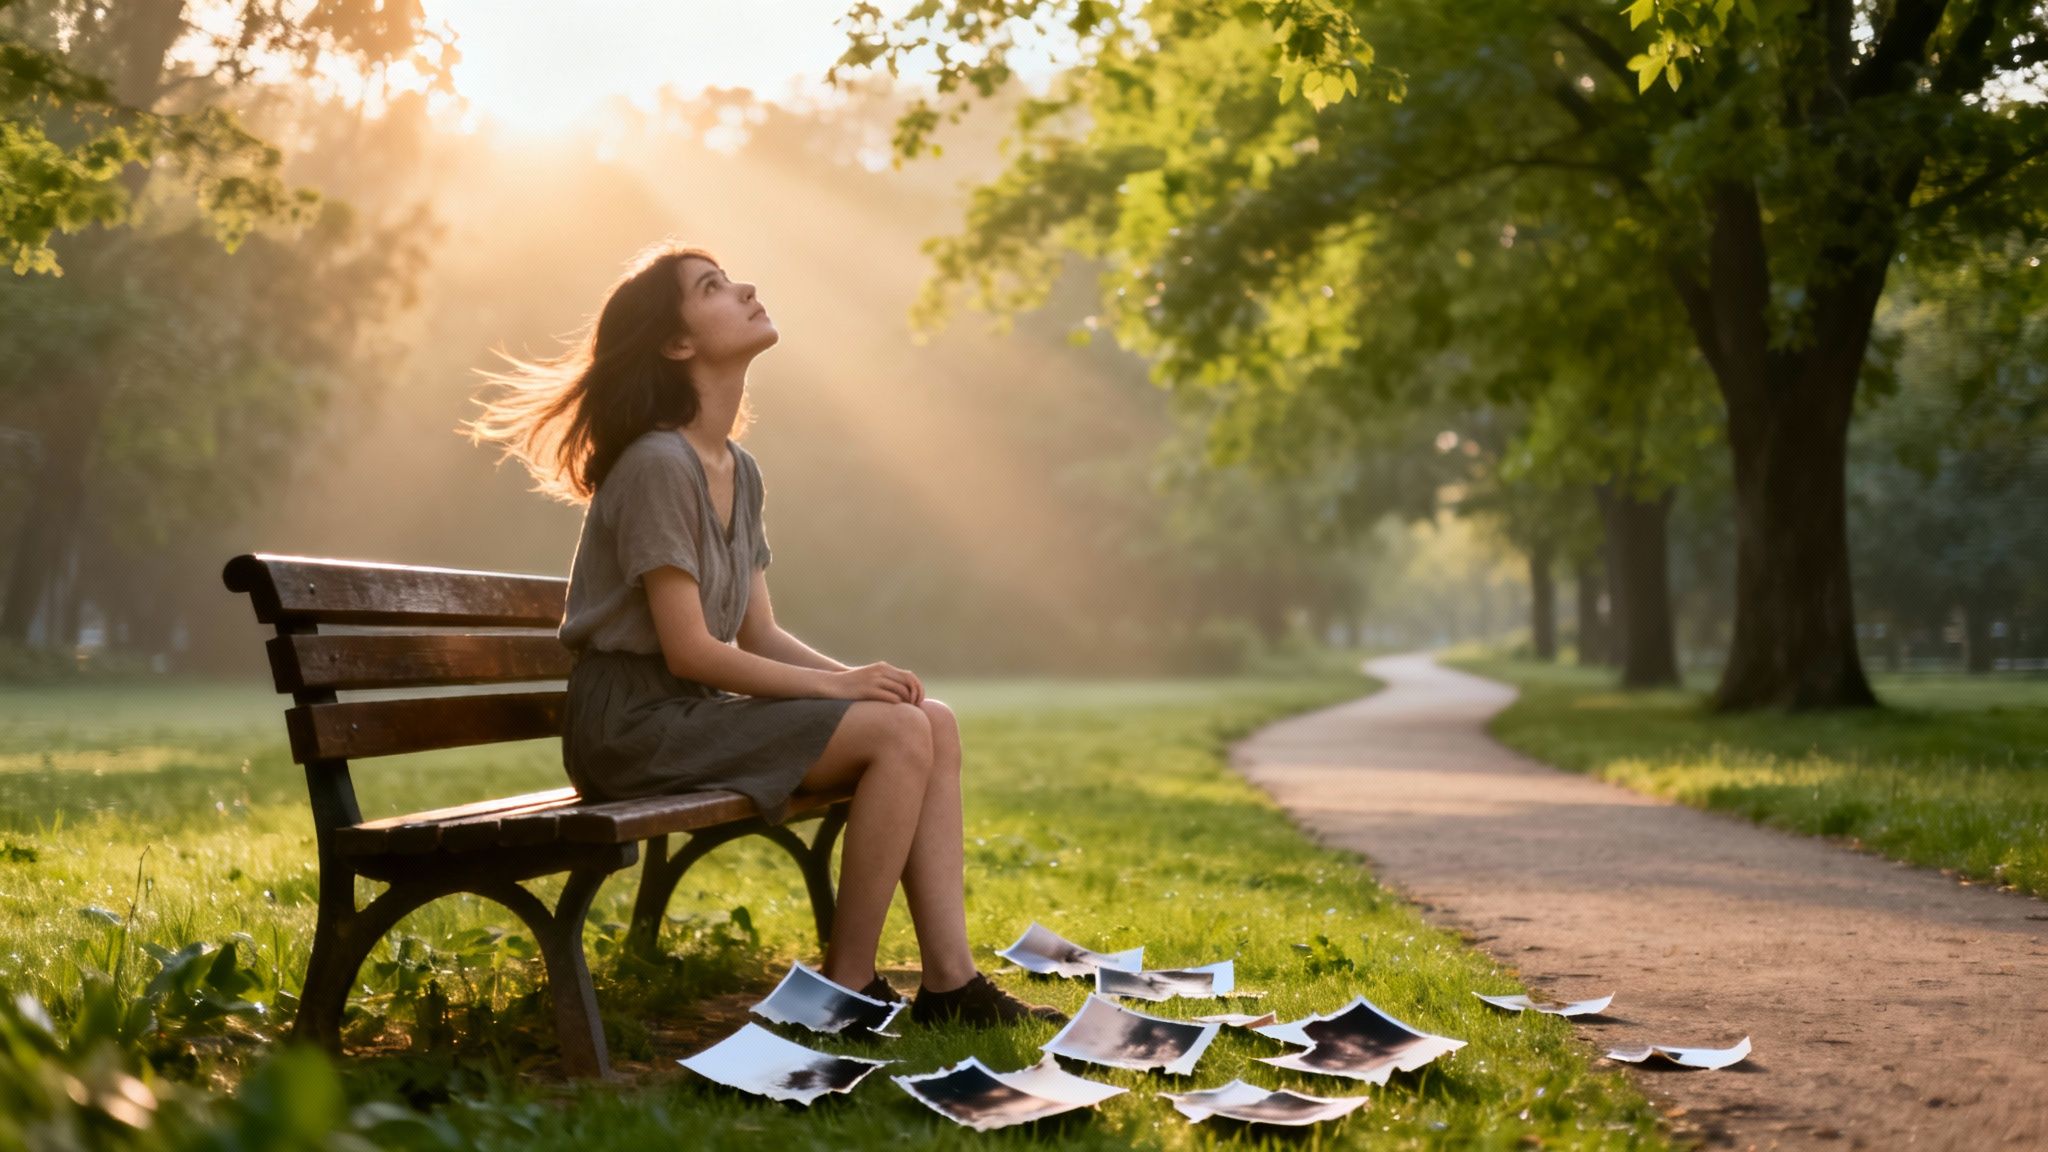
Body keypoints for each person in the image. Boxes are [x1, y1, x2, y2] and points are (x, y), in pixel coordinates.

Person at [465, 240, 1062, 1027]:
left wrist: (860, 677)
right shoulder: (655, 466)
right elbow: (692, 650)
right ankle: (844, 992)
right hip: (632, 728)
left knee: (930, 722)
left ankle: (951, 985)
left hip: (687, 714)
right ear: (679, 343)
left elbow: (761, 632)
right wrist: (842, 690)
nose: (745, 288)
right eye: (713, 287)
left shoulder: (735, 468)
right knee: (896, 734)